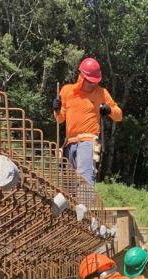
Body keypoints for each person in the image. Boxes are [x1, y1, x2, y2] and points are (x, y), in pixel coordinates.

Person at [53, 57, 122, 186]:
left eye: (95, 81)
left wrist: (109, 110)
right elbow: (60, 119)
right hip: (69, 143)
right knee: (68, 185)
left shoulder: (102, 93)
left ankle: (85, 206)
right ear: (81, 76)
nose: (93, 84)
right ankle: (70, 206)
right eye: (90, 81)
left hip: (88, 141)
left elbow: (119, 115)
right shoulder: (67, 91)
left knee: (84, 179)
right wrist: (56, 109)